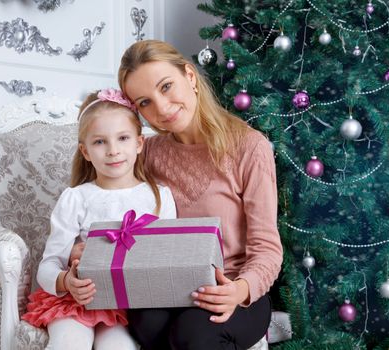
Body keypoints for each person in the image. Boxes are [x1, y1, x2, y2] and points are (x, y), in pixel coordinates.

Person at [118, 40, 283, 350]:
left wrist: (240, 290)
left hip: (234, 286)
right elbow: (111, 206)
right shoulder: (146, 153)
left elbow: (267, 248)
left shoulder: (248, 147)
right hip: (169, 284)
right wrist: (84, 248)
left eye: (166, 87)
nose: (161, 108)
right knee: (145, 322)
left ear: (190, 77)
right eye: (144, 102)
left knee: (192, 334)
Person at [21, 88, 177, 350]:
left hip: (126, 309)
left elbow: (169, 259)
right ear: (85, 151)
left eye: (123, 138)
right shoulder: (76, 198)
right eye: (100, 142)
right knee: (69, 344)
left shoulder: (159, 197)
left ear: (139, 144)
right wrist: (66, 282)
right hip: (77, 300)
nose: (113, 150)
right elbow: (48, 265)